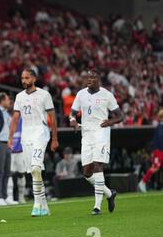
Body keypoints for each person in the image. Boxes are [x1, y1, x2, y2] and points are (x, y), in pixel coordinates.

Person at [69, 69, 123, 215]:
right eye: (88, 77)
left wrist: (109, 122)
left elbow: (120, 116)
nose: (89, 79)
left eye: (92, 77)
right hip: (86, 134)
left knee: (98, 165)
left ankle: (97, 206)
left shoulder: (107, 95)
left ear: (99, 79)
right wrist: (73, 121)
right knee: (86, 173)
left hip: (101, 134)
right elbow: (72, 113)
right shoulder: (81, 94)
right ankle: (109, 193)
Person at [8, 68, 59, 217]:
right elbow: (15, 118)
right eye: (22, 78)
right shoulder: (19, 97)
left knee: (36, 168)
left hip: (40, 133)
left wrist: (55, 138)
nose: (24, 81)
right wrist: (11, 138)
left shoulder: (44, 95)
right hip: (26, 135)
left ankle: (36, 205)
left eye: (27, 78)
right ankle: (44, 206)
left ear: (34, 78)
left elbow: (52, 118)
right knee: (33, 172)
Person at [0, 92, 16, 206]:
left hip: (7, 143)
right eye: (7, 100)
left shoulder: (6, 113)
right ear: (2, 101)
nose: (9, 102)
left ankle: (5, 196)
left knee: (7, 171)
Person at [138, 110, 163, 192]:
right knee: (155, 168)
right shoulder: (159, 127)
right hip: (159, 151)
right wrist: (154, 152)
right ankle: (143, 182)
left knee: (156, 168)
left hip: (160, 151)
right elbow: (157, 141)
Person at [9, 118, 27, 203]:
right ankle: (9, 197)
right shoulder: (7, 119)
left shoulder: (23, 121)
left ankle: (21, 196)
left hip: (20, 151)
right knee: (9, 174)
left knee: (21, 174)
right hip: (10, 152)